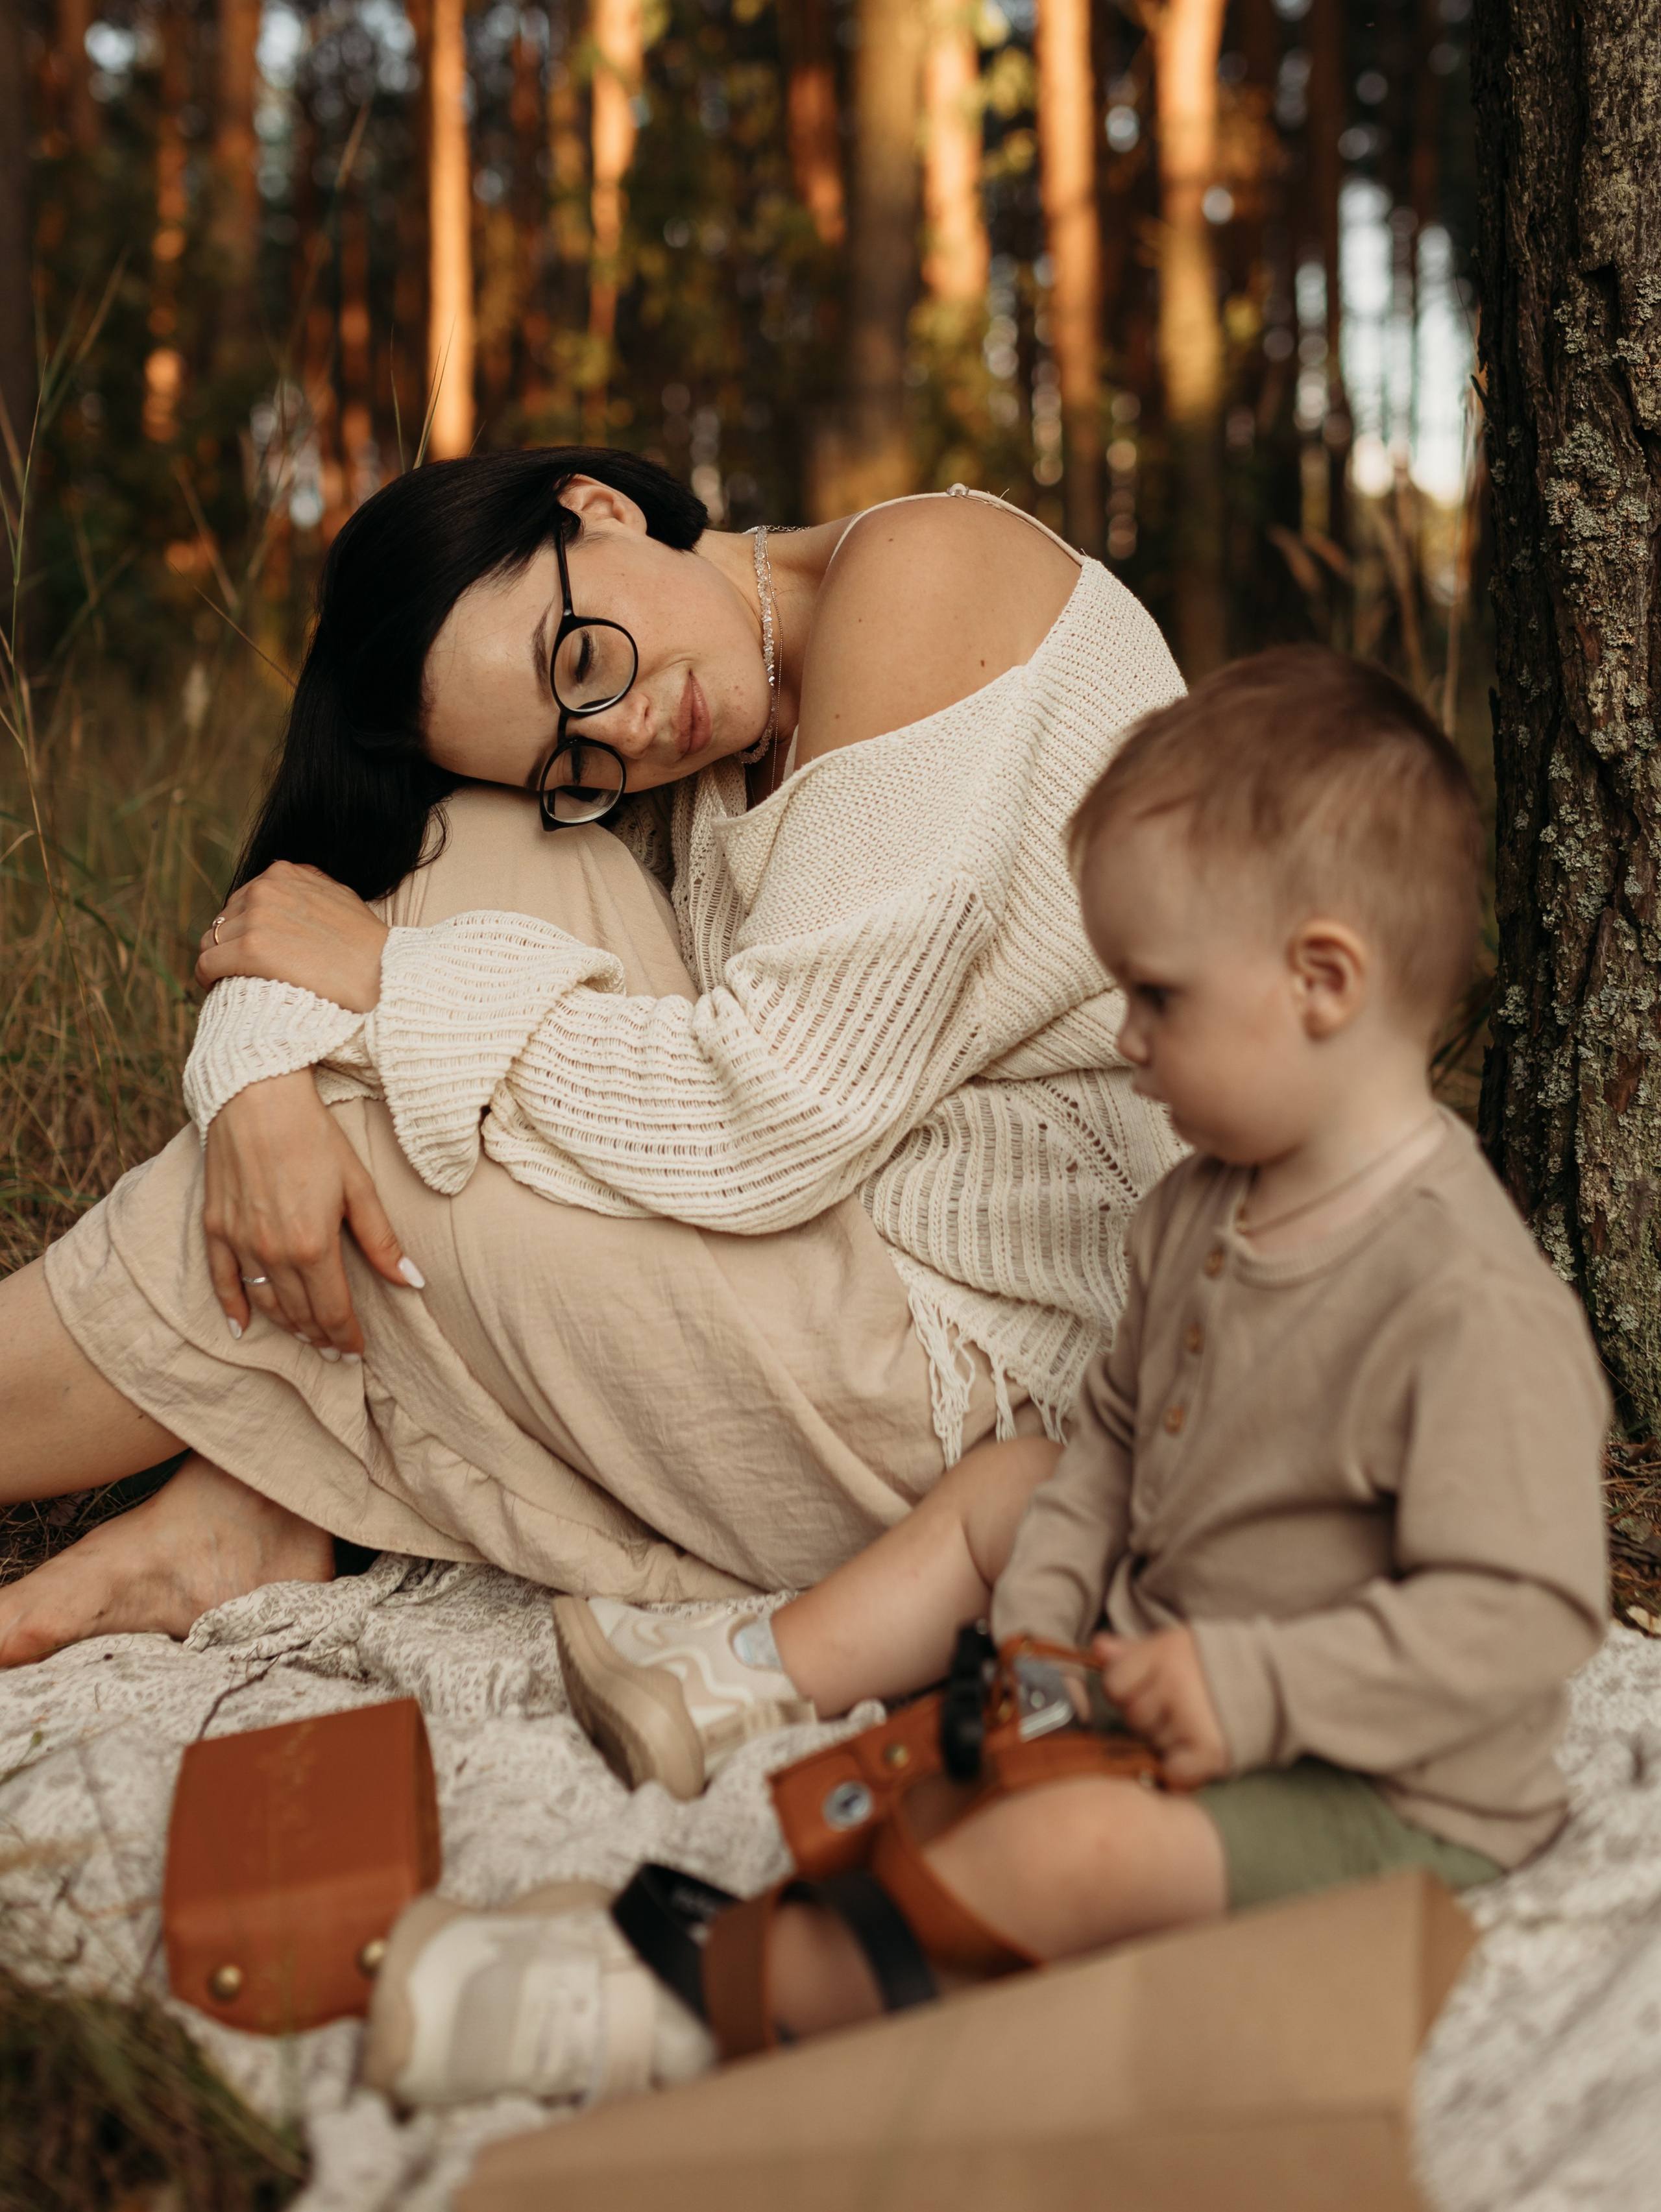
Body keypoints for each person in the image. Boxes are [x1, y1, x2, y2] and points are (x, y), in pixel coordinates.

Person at [358, 646, 1610, 2110]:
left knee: (1067, 1854)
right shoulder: (1198, 1207)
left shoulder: (1465, 1304)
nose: (1126, 1043)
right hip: (1174, 1651)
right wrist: (1044, 1618)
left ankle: (684, 2005)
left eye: (1156, 997)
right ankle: (751, 1703)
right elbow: (1117, 1439)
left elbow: (1517, 1620)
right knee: (1013, 1485)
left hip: (1373, 1792)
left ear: (1320, 981)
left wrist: (1248, 1685)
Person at [0, 448, 1185, 1665]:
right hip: (823, 1271)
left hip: (987, 1391)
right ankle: (253, 1507)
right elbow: (330, 907)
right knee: (470, 837)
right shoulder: (667, 743)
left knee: (376, 1138)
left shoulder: (924, 573)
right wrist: (257, 1083)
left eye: (576, 661)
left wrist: (386, 984)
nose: (622, 730)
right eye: (570, 758)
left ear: (601, 508)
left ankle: (235, 1496)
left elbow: (775, 1111)